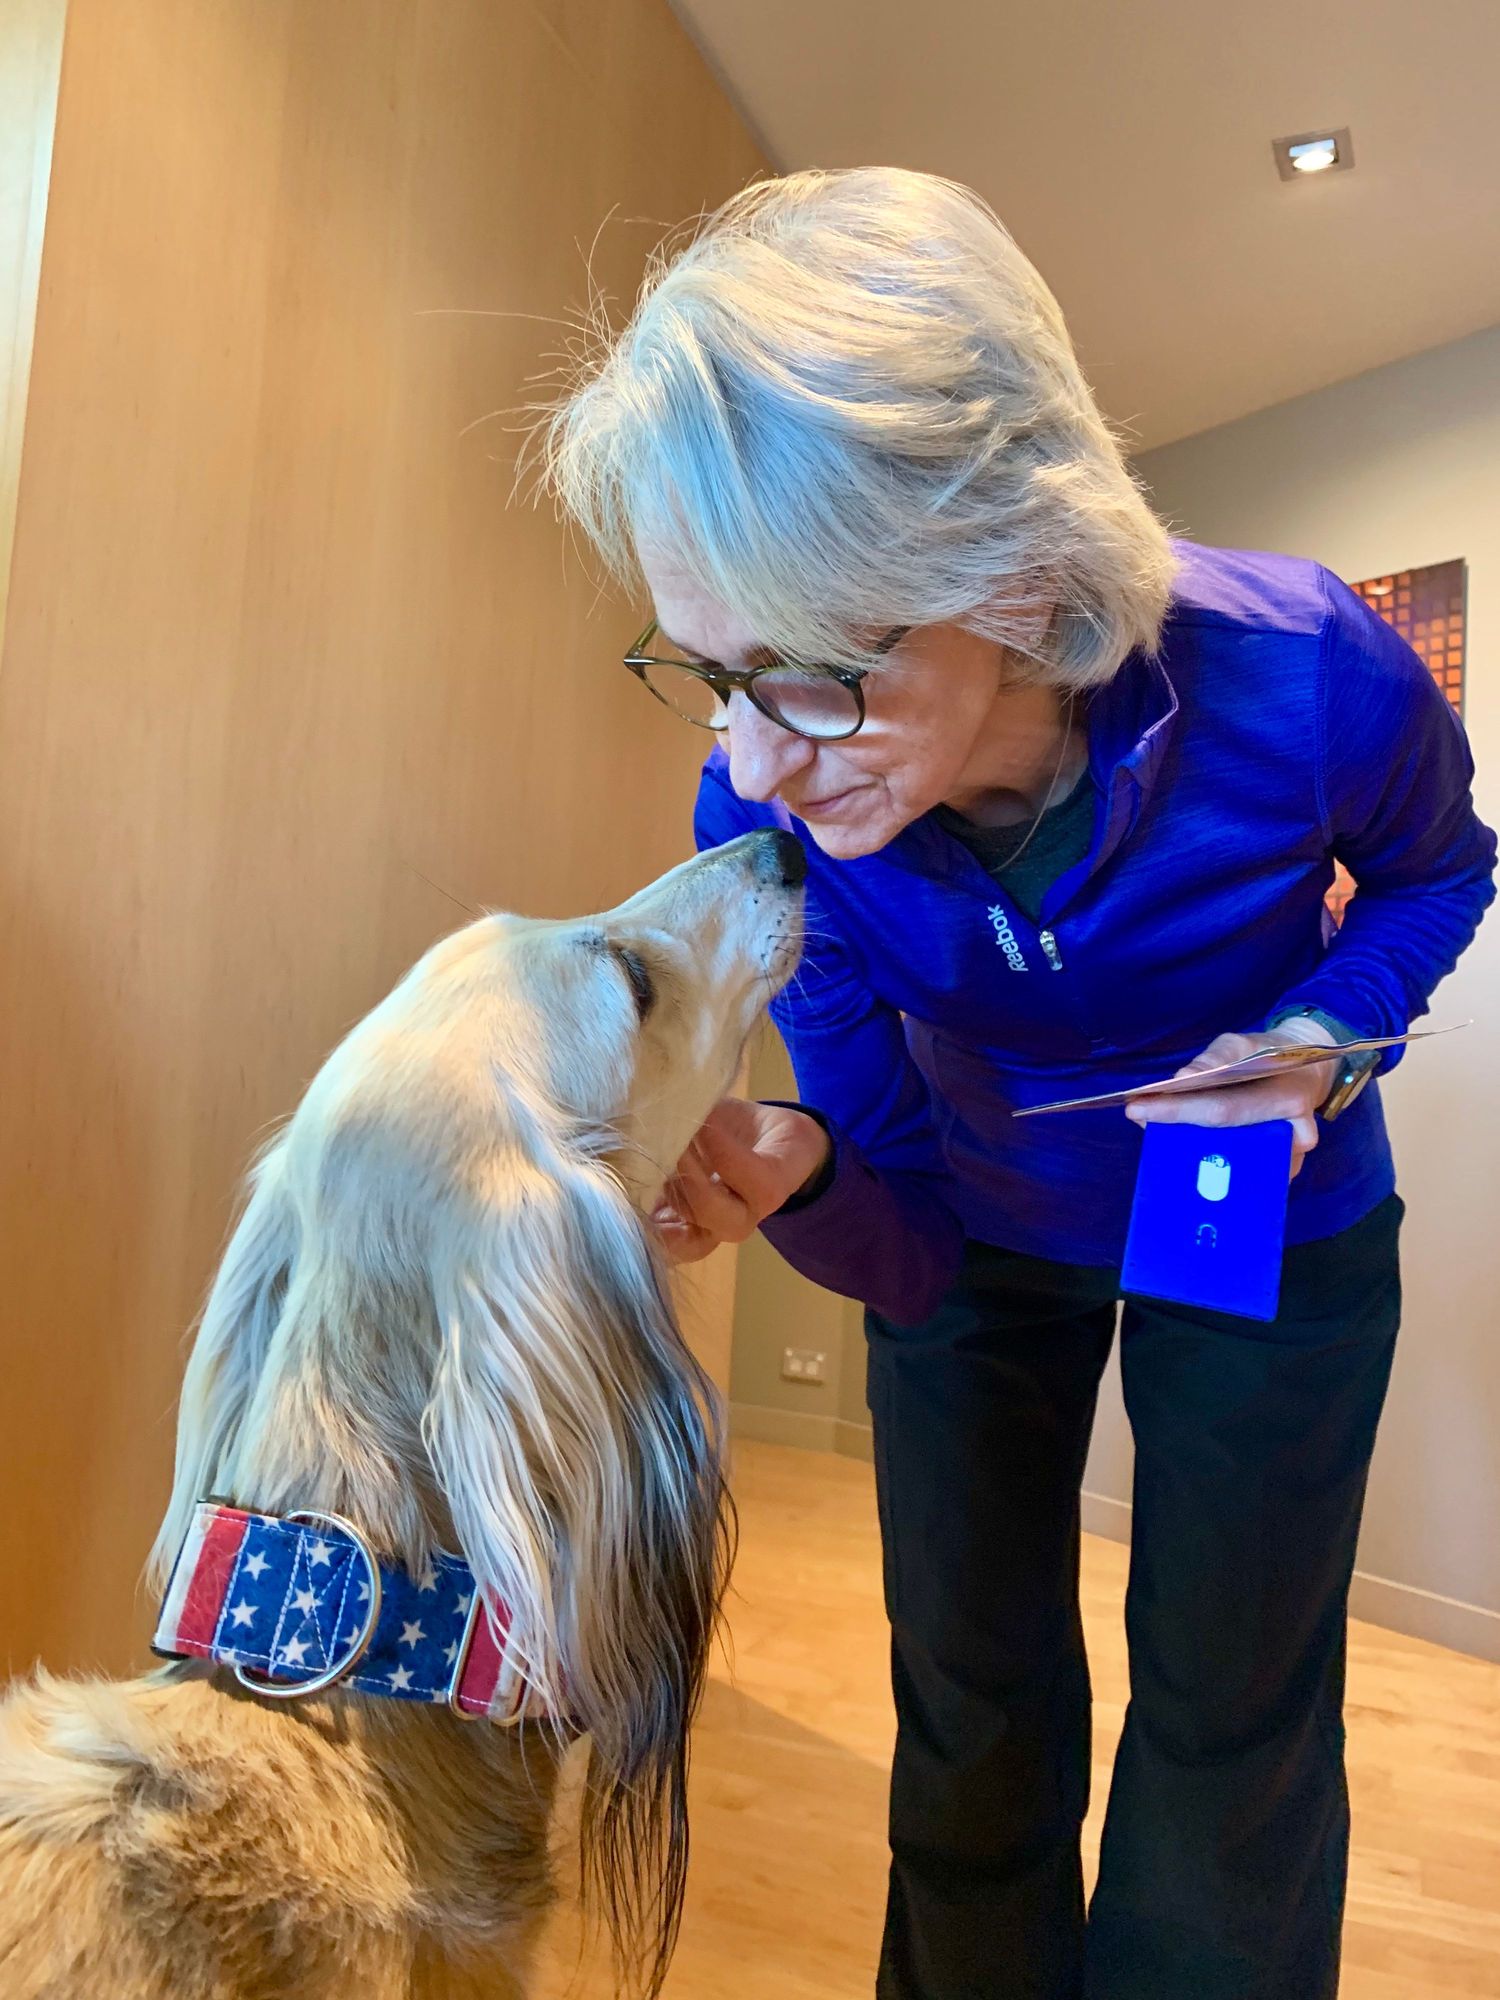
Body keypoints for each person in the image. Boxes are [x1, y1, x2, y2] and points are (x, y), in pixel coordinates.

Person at [540, 165, 1496, 2000]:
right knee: (970, 1696)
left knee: (1229, 1708)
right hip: (987, 1211)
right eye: (713, 673)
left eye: (815, 675)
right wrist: (803, 1167)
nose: (755, 761)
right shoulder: (771, 820)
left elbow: (1444, 873)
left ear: (1024, 576)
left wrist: (1325, 1037)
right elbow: (908, 1250)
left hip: (1251, 1198)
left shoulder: (1306, 672)